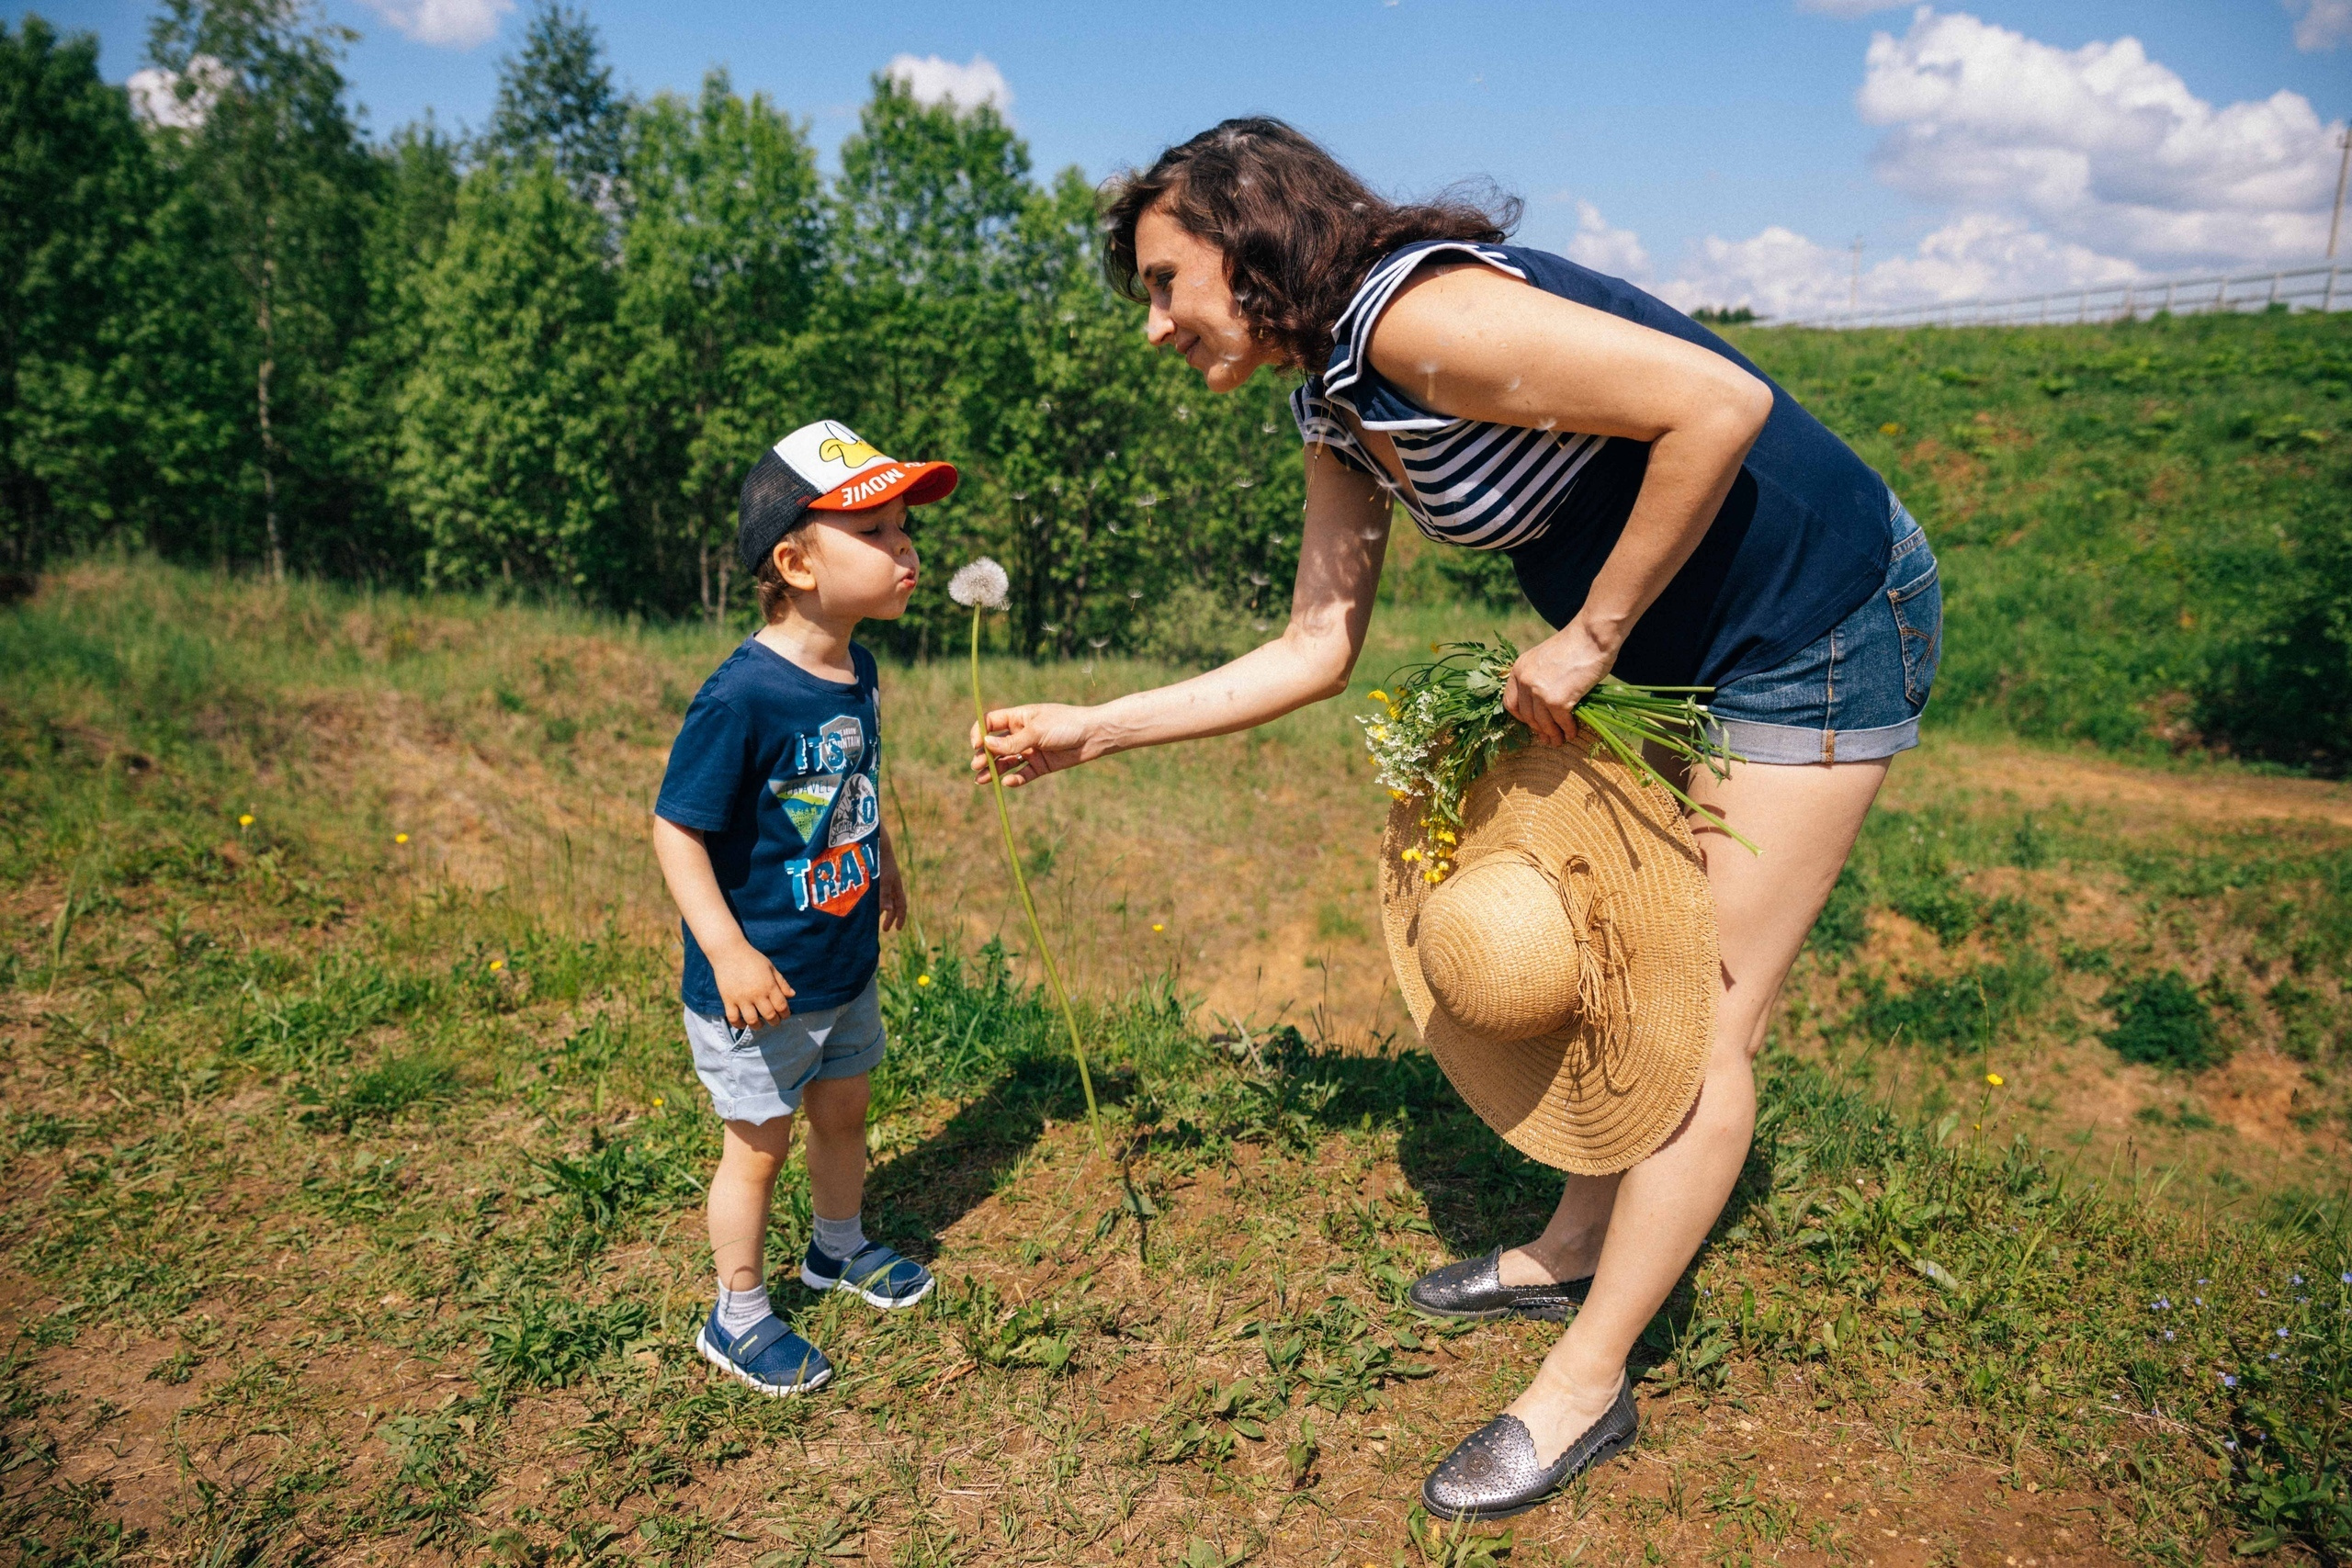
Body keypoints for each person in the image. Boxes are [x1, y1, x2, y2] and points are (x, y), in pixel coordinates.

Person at [969, 119, 1941, 1517]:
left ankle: (1587, 1381)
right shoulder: (1333, 398)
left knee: (1702, 1001)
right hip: (1684, 644)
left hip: (1815, 617)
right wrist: (1095, 726)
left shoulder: (1419, 319)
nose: (1153, 324)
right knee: (1614, 951)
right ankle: (1569, 1245)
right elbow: (1317, 642)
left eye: (1164, 279)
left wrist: (1594, 632)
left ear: (1252, 245)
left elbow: (1716, 406)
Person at [653, 420, 956, 1396]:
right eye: (878, 533)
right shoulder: (741, 695)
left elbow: (847, 787)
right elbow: (677, 831)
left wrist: (886, 860)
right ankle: (736, 1312)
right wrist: (730, 954)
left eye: (906, 530)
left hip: (842, 962)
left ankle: (838, 1248)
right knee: (759, 1149)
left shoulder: (857, 668)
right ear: (795, 561)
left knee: (845, 1112)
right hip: (763, 987)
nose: (906, 550)